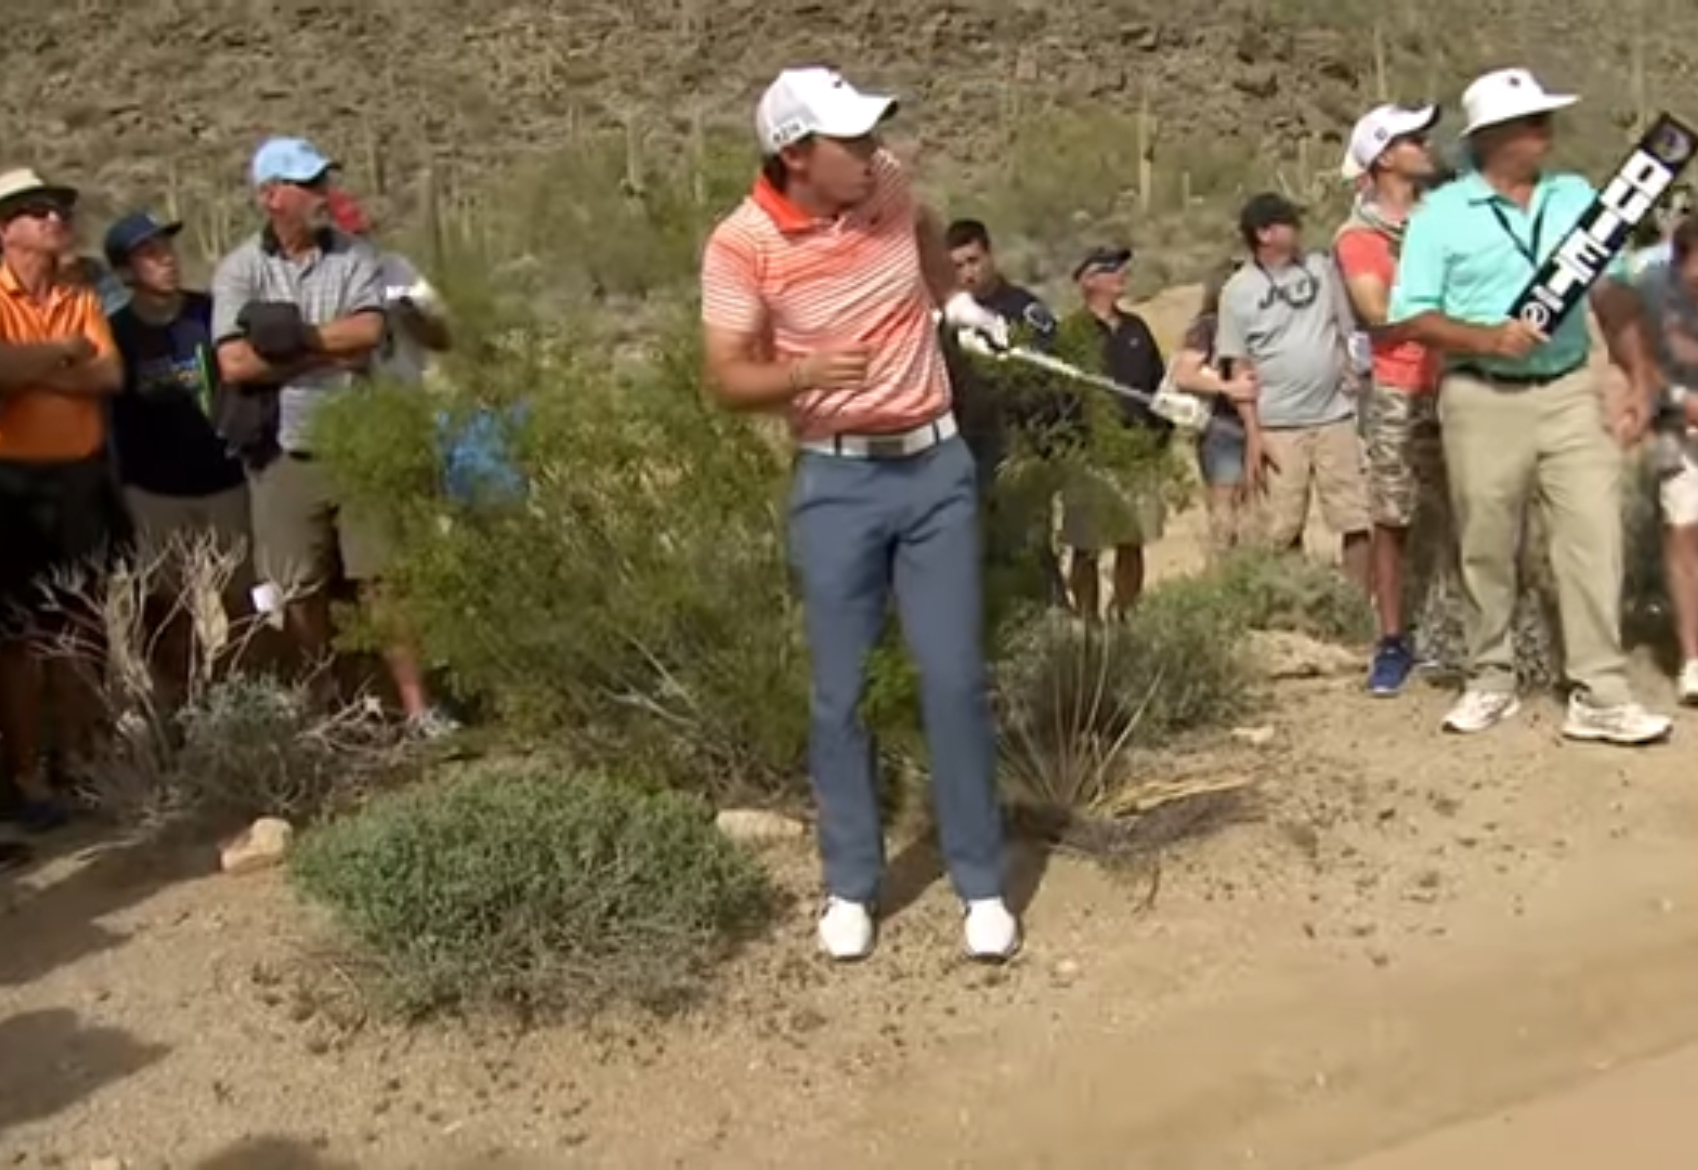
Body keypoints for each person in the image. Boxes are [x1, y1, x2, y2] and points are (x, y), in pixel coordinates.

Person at [699, 66, 1018, 963]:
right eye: (852, 139)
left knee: (953, 679)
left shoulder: (886, 182)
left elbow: (921, 227)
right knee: (840, 694)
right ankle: (850, 884)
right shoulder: (742, 244)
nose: (874, 151)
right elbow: (726, 375)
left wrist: (953, 301)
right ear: (797, 153)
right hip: (837, 481)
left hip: (935, 465)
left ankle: (980, 882)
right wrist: (801, 374)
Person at [1388, 67, 1670, 743]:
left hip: (1569, 391)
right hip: (1481, 397)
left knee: (1594, 537)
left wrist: (1637, 376)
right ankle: (1490, 679)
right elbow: (1412, 316)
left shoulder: (1577, 198)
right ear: (1491, 136)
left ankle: (1600, 692)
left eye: (1547, 117)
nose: (1548, 129)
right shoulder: (1440, 217)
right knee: (1486, 544)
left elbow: (1611, 293)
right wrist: (1488, 337)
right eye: (1532, 121)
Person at [211, 136, 454, 738]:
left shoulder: (357, 258)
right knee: (299, 589)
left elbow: (366, 335)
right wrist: (322, 348)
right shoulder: (241, 269)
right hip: (283, 450)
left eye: (324, 181)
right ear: (272, 196)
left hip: (359, 438)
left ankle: (416, 708)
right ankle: (328, 712)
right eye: (308, 184)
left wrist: (284, 340)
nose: (324, 193)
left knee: (384, 581)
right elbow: (235, 364)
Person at [0, 168, 124, 831]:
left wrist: (35, 368)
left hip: (80, 478)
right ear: (5, 229)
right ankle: (27, 776)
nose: (56, 219)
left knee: (81, 624)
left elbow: (110, 373)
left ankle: (82, 763)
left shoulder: (80, 297)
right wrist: (63, 352)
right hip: (14, 484)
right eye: (38, 210)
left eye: (59, 209)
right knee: (19, 639)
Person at [1333, 103, 1446, 696]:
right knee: (1392, 514)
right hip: (1397, 386)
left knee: (1464, 509)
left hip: (1458, 379)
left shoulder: (1446, 218)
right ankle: (1393, 639)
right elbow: (1377, 311)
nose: (1426, 145)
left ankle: (1454, 631)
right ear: (1382, 157)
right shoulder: (1357, 237)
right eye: (1412, 139)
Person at [1215, 193, 1371, 587]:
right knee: (1282, 527)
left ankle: (1358, 600)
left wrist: (1355, 372)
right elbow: (1239, 367)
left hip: (1335, 416)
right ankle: (1294, 601)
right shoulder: (1238, 291)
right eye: (1287, 222)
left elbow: (1347, 328)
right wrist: (1253, 434)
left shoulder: (1321, 268)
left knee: (1355, 517)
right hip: (1279, 426)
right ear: (1264, 233)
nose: (1298, 228)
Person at [943, 216, 1067, 603]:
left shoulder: (1023, 310)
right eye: (958, 266)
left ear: (990, 255)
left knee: (1032, 546)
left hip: (1020, 446)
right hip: (967, 450)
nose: (968, 273)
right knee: (983, 553)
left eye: (973, 260)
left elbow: (1053, 375)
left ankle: (1054, 618)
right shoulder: (948, 320)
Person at [1059, 246, 1172, 617]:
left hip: (1137, 457)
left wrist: (1158, 437)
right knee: (1086, 546)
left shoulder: (1137, 328)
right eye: (1110, 268)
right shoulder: (1070, 333)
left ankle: (1124, 614)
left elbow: (1158, 387)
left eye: (1121, 267)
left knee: (1131, 541)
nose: (1121, 273)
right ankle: (1088, 621)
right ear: (1088, 281)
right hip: (1089, 460)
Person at [1619, 215, 1698, 702]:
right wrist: (1676, 398)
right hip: (1677, 425)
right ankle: (1693, 659)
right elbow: (1635, 361)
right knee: (1683, 531)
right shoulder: (1647, 288)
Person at [1169, 258, 1265, 553]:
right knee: (1225, 506)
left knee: (1258, 505)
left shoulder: (1264, 322)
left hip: (1266, 421)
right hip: (1222, 425)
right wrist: (1228, 387)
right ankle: (1224, 569)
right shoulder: (1208, 327)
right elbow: (1184, 374)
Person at [322, 188, 452, 385]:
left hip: (405, 394)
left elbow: (443, 339)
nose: (358, 242)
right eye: (347, 237)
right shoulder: (313, 286)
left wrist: (412, 316)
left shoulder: (397, 269)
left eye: (361, 233)